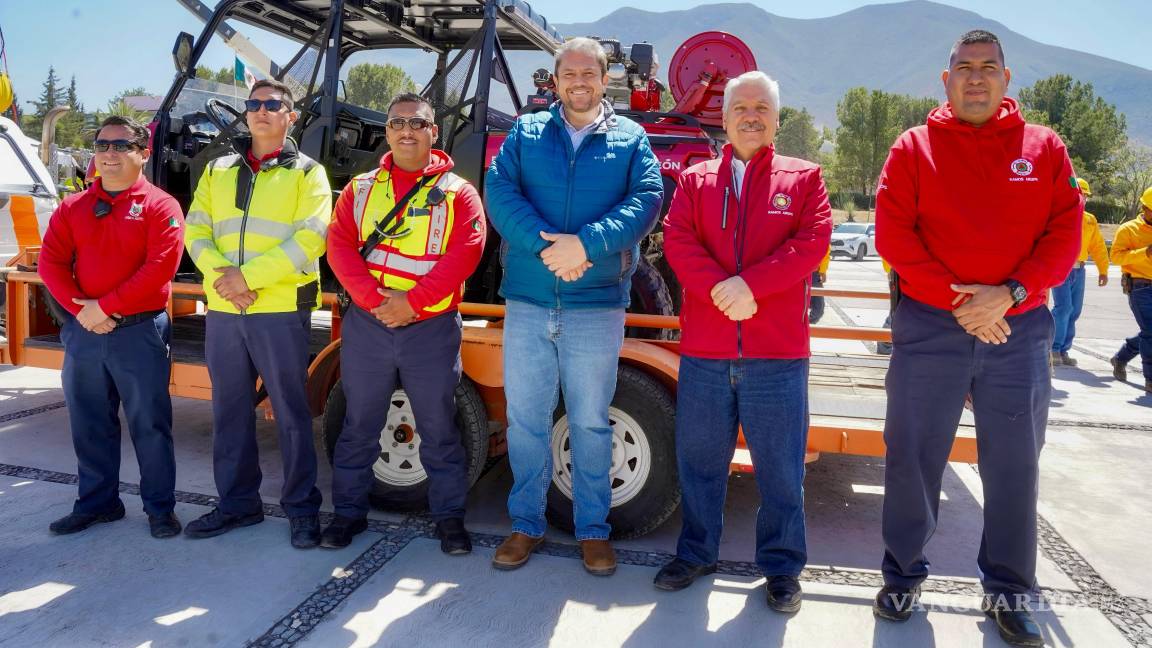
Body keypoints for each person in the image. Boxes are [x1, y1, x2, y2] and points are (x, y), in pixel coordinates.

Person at [873, 30, 1081, 647]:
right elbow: (894, 236)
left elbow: (1064, 236)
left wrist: (1010, 295)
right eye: (964, 68)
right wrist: (964, 303)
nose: (975, 78)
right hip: (931, 327)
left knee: (1015, 464)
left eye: (988, 68)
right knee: (912, 456)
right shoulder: (913, 148)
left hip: (1017, 331)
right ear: (946, 79)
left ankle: (1010, 591)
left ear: (1006, 78)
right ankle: (902, 575)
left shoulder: (1044, 149)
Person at [485, 36, 662, 575]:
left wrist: (585, 245)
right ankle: (525, 524)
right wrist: (549, 247)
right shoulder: (526, 131)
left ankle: (592, 529)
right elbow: (499, 191)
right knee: (526, 421)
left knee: (589, 422)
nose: (580, 82)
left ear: (604, 78)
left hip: (594, 306)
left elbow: (645, 202)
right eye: (570, 73)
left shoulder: (631, 139)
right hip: (531, 301)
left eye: (590, 73)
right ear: (555, 79)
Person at [655, 71, 831, 613]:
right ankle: (697, 551)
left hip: (776, 355)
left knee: (780, 469)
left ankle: (780, 569)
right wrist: (720, 290)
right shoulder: (695, 181)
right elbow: (679, 242)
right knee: (700, 462)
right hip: (707, 351)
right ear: (723, 117)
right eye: (740, 108)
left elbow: (811, 242)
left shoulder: (804, 179)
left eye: (761, 108)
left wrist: (750, 286)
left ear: (776, 119)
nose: (750, 116)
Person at [323, 93, 486, 552]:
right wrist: (377, 301)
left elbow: (465, 254)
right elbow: (338, 246)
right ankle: (347, 515)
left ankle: (450, 520)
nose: (406, 130)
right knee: (359, 425)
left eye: (417, 123)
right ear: (387, 131)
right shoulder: (360, 189)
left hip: (430, 329)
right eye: (397, 122)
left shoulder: (459, 193)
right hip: (369, 325)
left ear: (434, 132)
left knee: (438, 427)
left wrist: (413, 303)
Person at [182, 79, 332, 548]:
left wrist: (249, 278)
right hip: (226, 310)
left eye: (273, 105)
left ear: (291, 117)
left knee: (290, 413)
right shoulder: (218, 170)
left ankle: (302, 509)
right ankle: (236, 505)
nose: (262, 111)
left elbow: (312, 237)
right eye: (254, 104)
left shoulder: (309, 174)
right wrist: (223, 275)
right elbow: (196, 229)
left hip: (279, 311)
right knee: (229, 412)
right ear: (246, 115)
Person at [38, 115, 185, 538]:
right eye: (102, 145)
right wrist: (82, 311)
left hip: (139, 331)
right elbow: (50, 263)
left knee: (150, 425)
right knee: (88, 422)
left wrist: (104, 308)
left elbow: (159, 269)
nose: (109, 153)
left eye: (121, 145)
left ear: (144, 152)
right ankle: (98, 504)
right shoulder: (74, 207)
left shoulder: (161, 206)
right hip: (84, 331)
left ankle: (160, 509)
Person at [1051, 177, 1109, 367]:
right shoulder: (1059, 215)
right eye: (1080, 194)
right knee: (1064, 308)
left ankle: (1064, 350)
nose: (1083, 198)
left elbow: (1098, 247)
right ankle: (1053, 349)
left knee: (1074, 311)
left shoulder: (1090, 220)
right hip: (1061, 269)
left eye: (1085, 195)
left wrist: (1103, 270)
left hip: (1079, 270)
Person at [1109, 187, 1152, 393]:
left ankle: (1121, 358)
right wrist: (1145, 253)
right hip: (1140, 287)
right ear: (1145, 208)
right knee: (1151, 333)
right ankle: (1150, 379)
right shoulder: (1128, 229)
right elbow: (1116, 257)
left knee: (1149, 333)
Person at [809, 246, 830, 324]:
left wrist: (822, 271)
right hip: (799, 272)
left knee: (818, 309)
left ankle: (809, 325)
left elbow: (826, 251)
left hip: (815, 274)